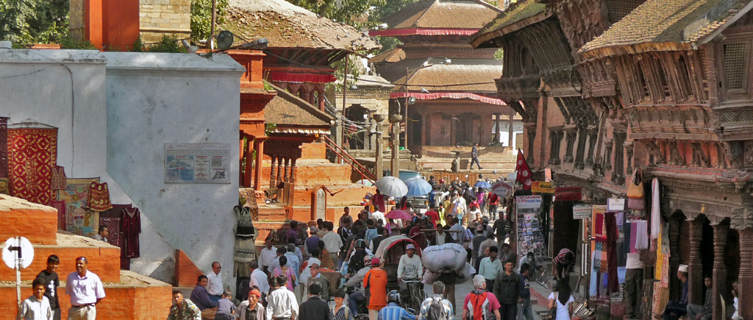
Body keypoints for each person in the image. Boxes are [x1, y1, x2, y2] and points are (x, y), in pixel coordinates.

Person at [397, 244, 423, 310]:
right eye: (409, 250)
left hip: (414, 279)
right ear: (406, 251)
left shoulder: (417, 258)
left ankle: (417, 305)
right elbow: (400, 267)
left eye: (411, 250)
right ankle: (404, 304)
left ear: (413, 251)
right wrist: (399, 276)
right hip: (405, 279)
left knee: (416, 294)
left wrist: (420, 276)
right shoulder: (403, 257)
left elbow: (420, 267)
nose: (410, 252)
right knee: (404, 294)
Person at [36, 255, 60, 320]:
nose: (54, 266)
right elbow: (37, 292)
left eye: (56, 264)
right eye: (52, 263)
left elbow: (55, 292)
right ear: (47, 263)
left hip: (55, 307)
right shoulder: (41, 276)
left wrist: (57, 306)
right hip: (45, 307)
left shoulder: (55, 275)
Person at [624, 251, 644, 318]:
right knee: (639, 291)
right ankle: (637, 313)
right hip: (640, 265)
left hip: (631, 266)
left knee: (630, 292)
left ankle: (630, 313)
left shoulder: (627, 240)